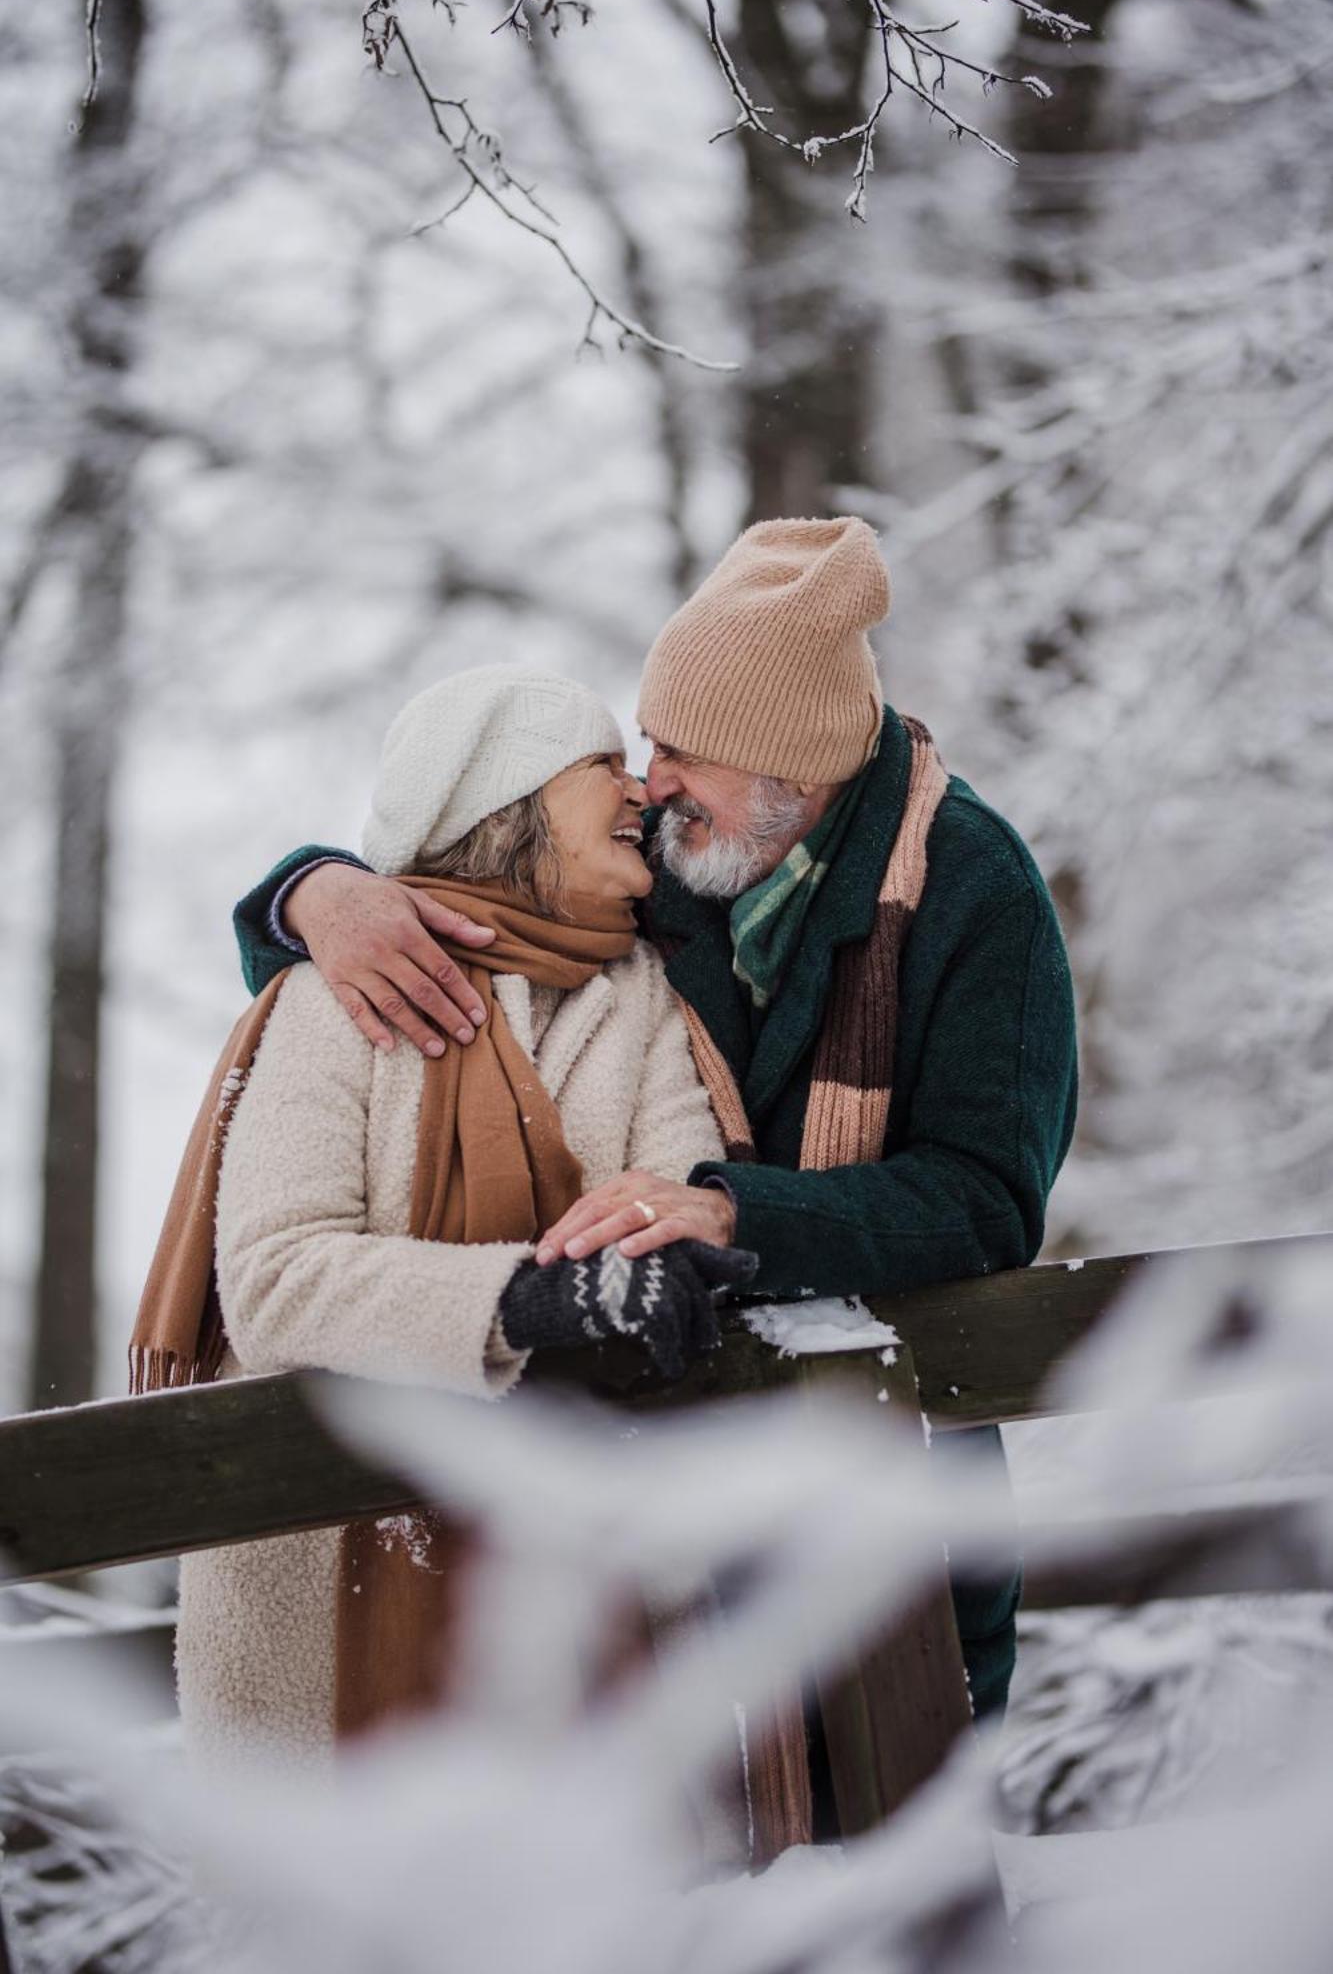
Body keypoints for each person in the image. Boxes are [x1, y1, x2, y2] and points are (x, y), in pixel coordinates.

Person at [231, 516, 1080, 1721]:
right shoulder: (688, 853)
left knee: (902, 1841)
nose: (648, 777)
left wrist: (740, 1207)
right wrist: (310, 892)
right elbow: (476, 892)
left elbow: (987, 1203)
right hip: (667, 1493)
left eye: (681, 746)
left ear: (787, 761)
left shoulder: (975, 897)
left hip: (891, 1477)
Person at [131, 666, 753, 1770]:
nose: (638, 793)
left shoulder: (646, 997)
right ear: (504, 799)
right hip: (326, 1594)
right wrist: (530, 1295)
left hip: (581, 1577)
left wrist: (644, 1246)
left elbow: (668, 1193)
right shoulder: (337, 994)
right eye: (603, 764)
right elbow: (276, 1277)